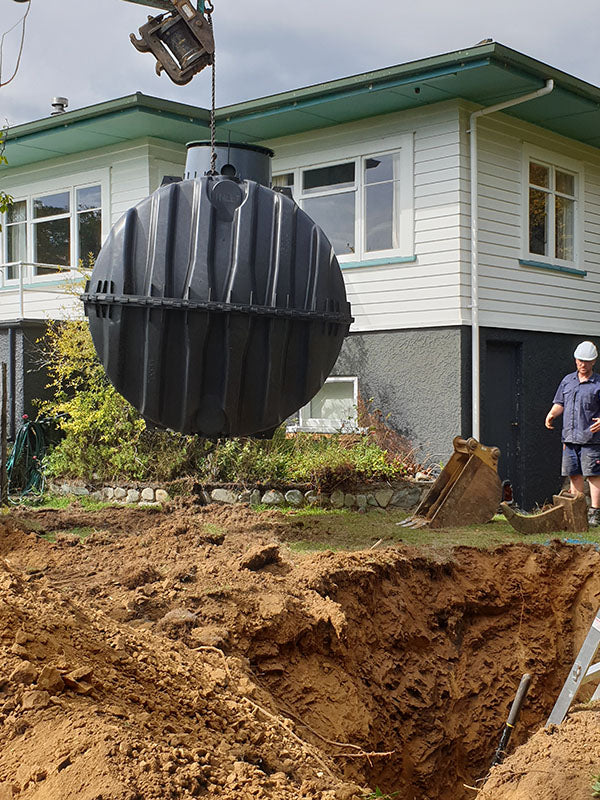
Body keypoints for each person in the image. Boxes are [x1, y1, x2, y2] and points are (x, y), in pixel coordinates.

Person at [545, 340, 600, 526]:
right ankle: (578, 511)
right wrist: (551, 414)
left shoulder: (598, 383)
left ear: (593, 362)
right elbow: (560, 403)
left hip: (591, 439)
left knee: (593, 474)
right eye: (580, 361)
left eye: (587, 361)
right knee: (574, 474)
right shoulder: (567, 381)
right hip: (569, 438)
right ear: (575, 360)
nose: (583, 364)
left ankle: (595, 513)